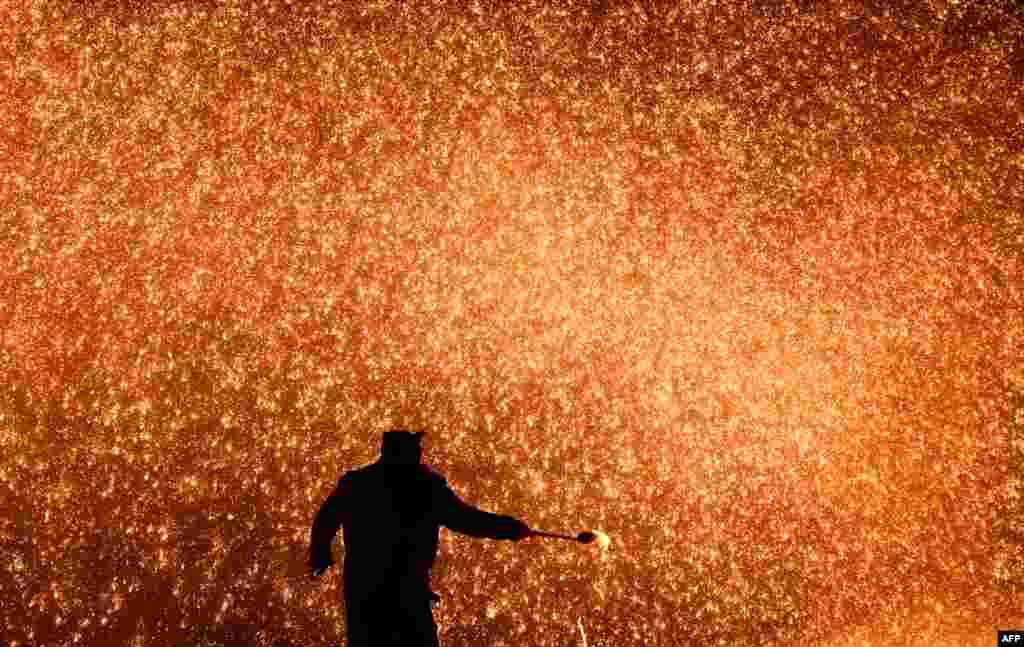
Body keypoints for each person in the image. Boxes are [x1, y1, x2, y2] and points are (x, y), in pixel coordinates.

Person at [309, 430, 534, 647]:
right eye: (416, 452)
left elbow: (325, 520)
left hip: (364, 593)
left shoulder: (355, 484)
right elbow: (468, 520)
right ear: (408, 455)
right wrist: (510, 529)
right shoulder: (426, 489)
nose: (420, 456)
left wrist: (320, 553)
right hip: (408, 593)